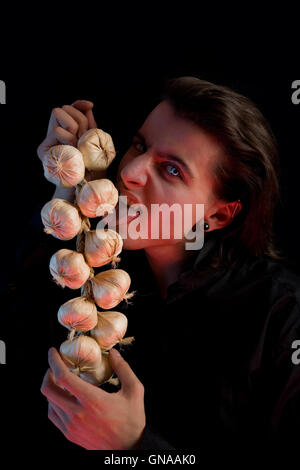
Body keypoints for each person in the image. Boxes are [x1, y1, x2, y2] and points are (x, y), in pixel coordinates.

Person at [6, 77, 300, 451]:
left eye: (172, 170)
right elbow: (17, 338)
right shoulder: (98, 264)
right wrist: (69, 184)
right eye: (140, 145)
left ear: (221, 215)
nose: (130, 172)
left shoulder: (282, 313)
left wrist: (137, 444)